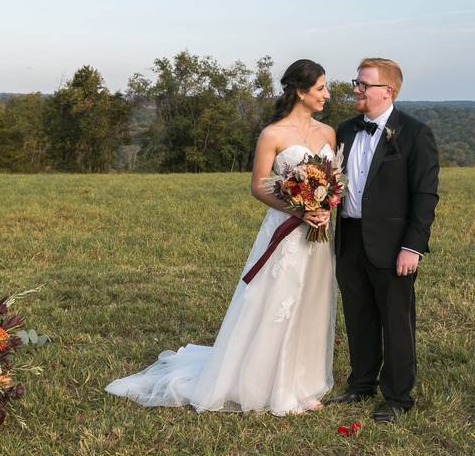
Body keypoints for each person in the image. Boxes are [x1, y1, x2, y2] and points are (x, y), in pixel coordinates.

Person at [105, 59, 337, 415]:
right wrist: (298, 210)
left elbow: (332, 182)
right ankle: (269, 385)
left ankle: (302, 383)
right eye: (321, 88)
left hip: (317, 233)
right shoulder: (272, 135)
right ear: (301, 92)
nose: (327, 94)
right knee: (277, 301)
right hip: (285, 234)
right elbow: (259, 186)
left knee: (310, 302)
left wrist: (324, 208)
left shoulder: (328, 134)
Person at [326, 57, 440, 423]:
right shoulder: (344, 130)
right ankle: (361, 384)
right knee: (358, 316)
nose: (356, 90)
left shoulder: (414, 133)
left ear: (387, 91)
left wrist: (412, 246)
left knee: (395, 320)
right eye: (356, 83)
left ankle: (397, 397)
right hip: (350, 238)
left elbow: (425, 196)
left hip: (393, 245)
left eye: (363, 85)